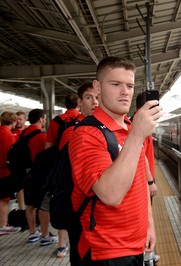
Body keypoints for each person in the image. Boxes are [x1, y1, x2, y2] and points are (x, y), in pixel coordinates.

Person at [69, 56, 162, 265]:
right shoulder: (86, 134)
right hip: (107, 251)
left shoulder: (130, 126)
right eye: (115, 84)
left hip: (136, 243)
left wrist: (149, 225)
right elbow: (110, 195)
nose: (125, 92)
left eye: (129, 85)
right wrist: (137, 137)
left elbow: (140, 180)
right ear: (97, 87)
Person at [56, 82, 98, 263]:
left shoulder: (105, 129)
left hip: (100, 210)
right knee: (81, 255)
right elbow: (65, 173)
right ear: (80, 102)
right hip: (79, 207)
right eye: (89, 98)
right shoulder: (72, 131)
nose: (95, 102)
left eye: (97, 97)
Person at [43, 93, 80, 256]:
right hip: (78, 169)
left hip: (61, 169)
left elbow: (48, 146)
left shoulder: (56, 121)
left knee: (62, 202)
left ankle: (61, 245)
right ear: (79, 103)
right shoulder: (84, 120)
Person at [132, 91, 160, 263]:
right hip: (142, 180)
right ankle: (146, 254)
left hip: (143, 179)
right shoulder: (138, 125)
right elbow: (140, 156)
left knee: (145, 217)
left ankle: (146, 252)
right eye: (154, 106)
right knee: (143, 217)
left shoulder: (140, 123)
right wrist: (150, 181)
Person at [22, 109, 55, 245]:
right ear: (41, 119)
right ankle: (45, 235)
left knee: (29, 205)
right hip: (39, 175)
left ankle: (33, 233)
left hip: (26, 174)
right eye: (45, 118)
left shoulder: (24, 133)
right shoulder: (42, 137)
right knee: (43, 206)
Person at [0, 111, 21, 235]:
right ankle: (3, 224)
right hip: (4, 171)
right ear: (13, 122)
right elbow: (11, 155)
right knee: (4, 199)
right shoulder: (8, 135)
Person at [12, 111, 27, 210]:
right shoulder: (11, 131)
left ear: (25, 120)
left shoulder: (28, 131)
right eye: (16, 119)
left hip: (27, 163)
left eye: (20, 119)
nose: (18, 121)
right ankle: (21, 209)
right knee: (19, 187)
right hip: (16, 164)